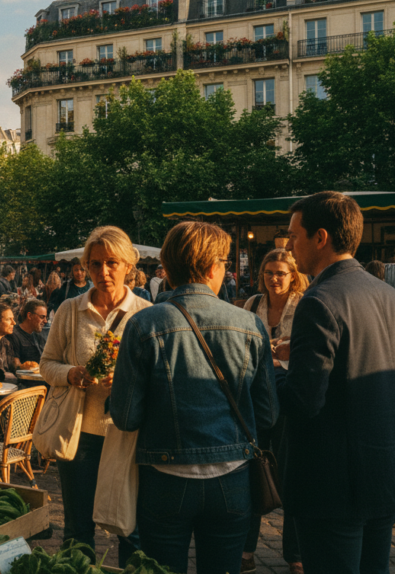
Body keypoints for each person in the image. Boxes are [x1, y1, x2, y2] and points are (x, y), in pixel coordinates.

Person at [109, 221, 277, 574]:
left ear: (167, 268)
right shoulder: (250, 324)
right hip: (233, 479)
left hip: (165, 477)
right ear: (215, 268)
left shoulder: (143, 325)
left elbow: (126, 417)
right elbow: (268, 414)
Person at [273, 192, 395, 574]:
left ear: (320, 237)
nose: (289, 248)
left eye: (293, 237)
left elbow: (304, 401)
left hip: (333, 483)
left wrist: (268, 369)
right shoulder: (393, 297)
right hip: (386, 473)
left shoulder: (320, 300)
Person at [40, 226, 151, 566]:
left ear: (128, 265)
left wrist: (131, 382)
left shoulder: (146, 313)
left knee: (131, 527)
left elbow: (159, 378)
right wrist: (71, 374)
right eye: (95, 263)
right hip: (81, 435)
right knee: (77, 527)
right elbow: (47, 364)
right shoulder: (71, 310)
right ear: (85, 267)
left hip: (128, 435)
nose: (103, 272)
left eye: (112, 263)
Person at [240, 248, 307, 574]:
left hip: (289, 400)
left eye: (281, 273)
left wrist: (289, 350)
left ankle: (295, 553)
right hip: (256, 397)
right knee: (253, 470)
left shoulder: (306, 304)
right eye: (269, 273)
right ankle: (245, 549)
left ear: (293, 275)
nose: (274, 279)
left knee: (291, 474)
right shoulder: (253, 305)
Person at [8, 299, 47, 391]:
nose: (45, 321)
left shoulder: (39, 337)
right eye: (42, 317)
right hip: (26, 387)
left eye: (46, 317)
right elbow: (16, 366)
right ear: (29, 315)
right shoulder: (14, 335)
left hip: (43, 383)